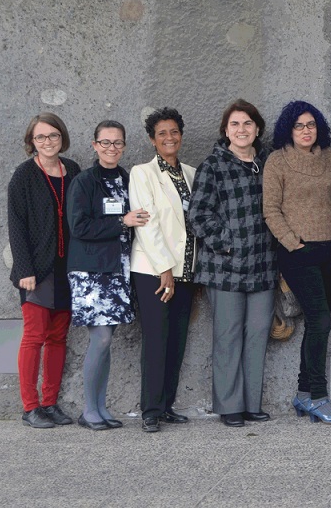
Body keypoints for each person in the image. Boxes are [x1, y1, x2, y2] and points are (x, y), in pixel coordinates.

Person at [189, 100, 276, 428]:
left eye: (248, 124)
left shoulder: (268, 162)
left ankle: (252, 403)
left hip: (264, 265)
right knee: (228, 336)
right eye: (235, 124)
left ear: (257, 129)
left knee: (258, 334)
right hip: (225, 267)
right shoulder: (213, 165)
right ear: (226, 130)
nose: (242, 130)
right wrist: (229, 244)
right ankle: (229, 406)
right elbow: (198, 215)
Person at [262, 100, 331, 424]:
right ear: (288, 129)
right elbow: (271, 209)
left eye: (311, 125)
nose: (306, 130)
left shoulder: (328, 158)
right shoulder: (277, 161)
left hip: (329, 252)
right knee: (322, 321)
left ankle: (302, 395)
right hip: (298, 254)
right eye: (299, 125)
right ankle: (320, 397)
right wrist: (292, 243)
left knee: (315, 324)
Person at [66, 120, 144, 430]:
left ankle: (100, 406)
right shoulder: (84, 181)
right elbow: (79, 227)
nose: (112, 148)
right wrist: (122, 222)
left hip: (117, 269)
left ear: (124, 146)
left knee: (106, 341)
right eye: (105, 142)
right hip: (90, 272)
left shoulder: (127, 179)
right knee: (100, 339)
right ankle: (88, 409)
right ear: (95, 145)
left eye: (117, 143)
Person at [7, 113, 81, 428]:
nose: (47, 142)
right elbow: (16, 226)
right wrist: (25, 269)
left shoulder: (73, 170)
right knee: (34, 336)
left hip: (68, 267)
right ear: (32, 142)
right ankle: (30, 407)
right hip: (36, 269)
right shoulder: (23, 176)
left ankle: (50, 404)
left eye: (52, 135)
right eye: (40, 137)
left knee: (58, 337)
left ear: (61, 137)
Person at [129, 107, 197, 433]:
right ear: (152, 140)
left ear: (181, 135)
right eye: (162, 134)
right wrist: (164, 270)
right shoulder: (142, 174)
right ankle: (150, 411)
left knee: (177, 340)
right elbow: (146, 224)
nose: (169, 138)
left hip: (187, 271)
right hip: (153, 271)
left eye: (174, 132)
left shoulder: (191, 173)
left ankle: (167, 405)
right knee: (156, 339)